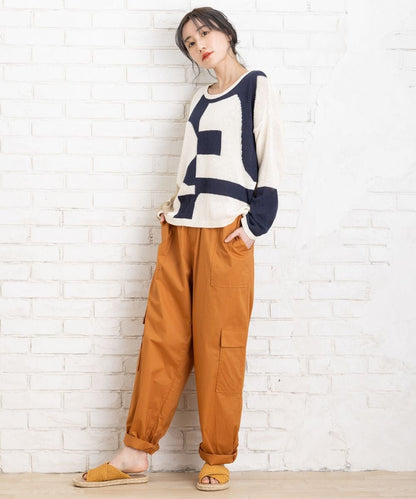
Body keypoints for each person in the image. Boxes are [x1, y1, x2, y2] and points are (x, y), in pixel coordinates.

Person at [73, 6, 285, 492]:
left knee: (220, 347)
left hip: (226, 235)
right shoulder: (197, 100)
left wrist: (254, 226)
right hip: (180, 230)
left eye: (205, 33)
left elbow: (270, 161)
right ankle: (135, 452)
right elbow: (190, 164)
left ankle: (217, 457)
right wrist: (171, 212)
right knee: (162, 340)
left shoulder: (256, 86)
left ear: (227, 33)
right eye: (190, 42)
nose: (199, 45)